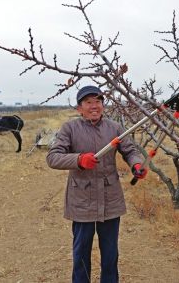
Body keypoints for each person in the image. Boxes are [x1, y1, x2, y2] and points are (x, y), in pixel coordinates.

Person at [46, 85, 148, 283]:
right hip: (81, 200)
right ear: (79, 108)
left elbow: (129, 150)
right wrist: (79, 160)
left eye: (98, 101)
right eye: (88, 102)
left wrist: (136, 164)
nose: (94, 106)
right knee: (81, 254)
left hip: (111, 199)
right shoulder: (70, 128)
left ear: (103, 105)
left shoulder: (115, 128)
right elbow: (53, 157)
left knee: (110, 254)